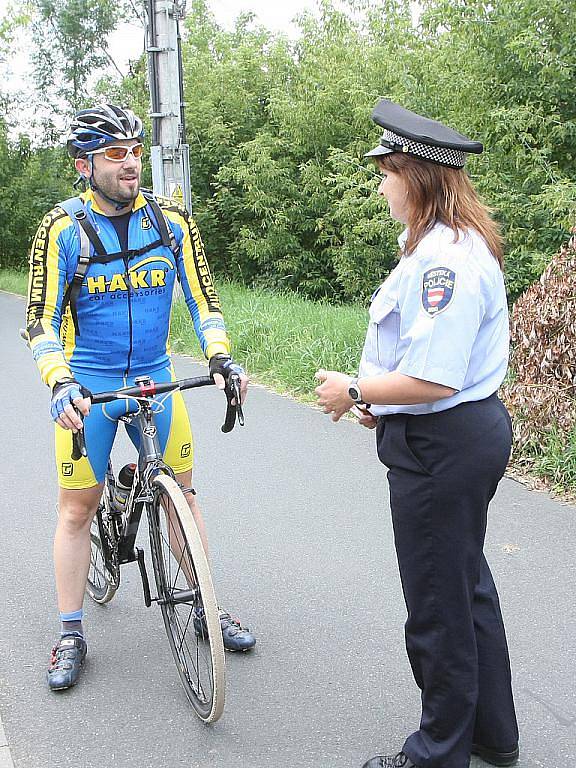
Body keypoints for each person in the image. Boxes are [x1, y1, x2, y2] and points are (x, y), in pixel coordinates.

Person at [315, 100, 519, 768]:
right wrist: (382, 399)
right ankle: (491, 734)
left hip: (445, 447)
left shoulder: (445, 264)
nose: (380, 186)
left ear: (419, 176)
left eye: (387, 172)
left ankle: (437, 753)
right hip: (452, 437)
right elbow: (425, 368)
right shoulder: (443, 248)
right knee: (464, 584)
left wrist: (354, 390)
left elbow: (433, 382)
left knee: (437, 604)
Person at [26, 104, 256, 692]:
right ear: (84, 165)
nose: (131, 163)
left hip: (155, 378)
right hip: (92, 387)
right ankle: (71, 632)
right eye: (115, 154)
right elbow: (41, 323)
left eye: (134, 150)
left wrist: (220, 356)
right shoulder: (62, 230)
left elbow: (204, 300)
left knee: (183, 491)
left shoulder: (171, 221)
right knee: (78, 509)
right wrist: (58, 381)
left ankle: (204, 603)